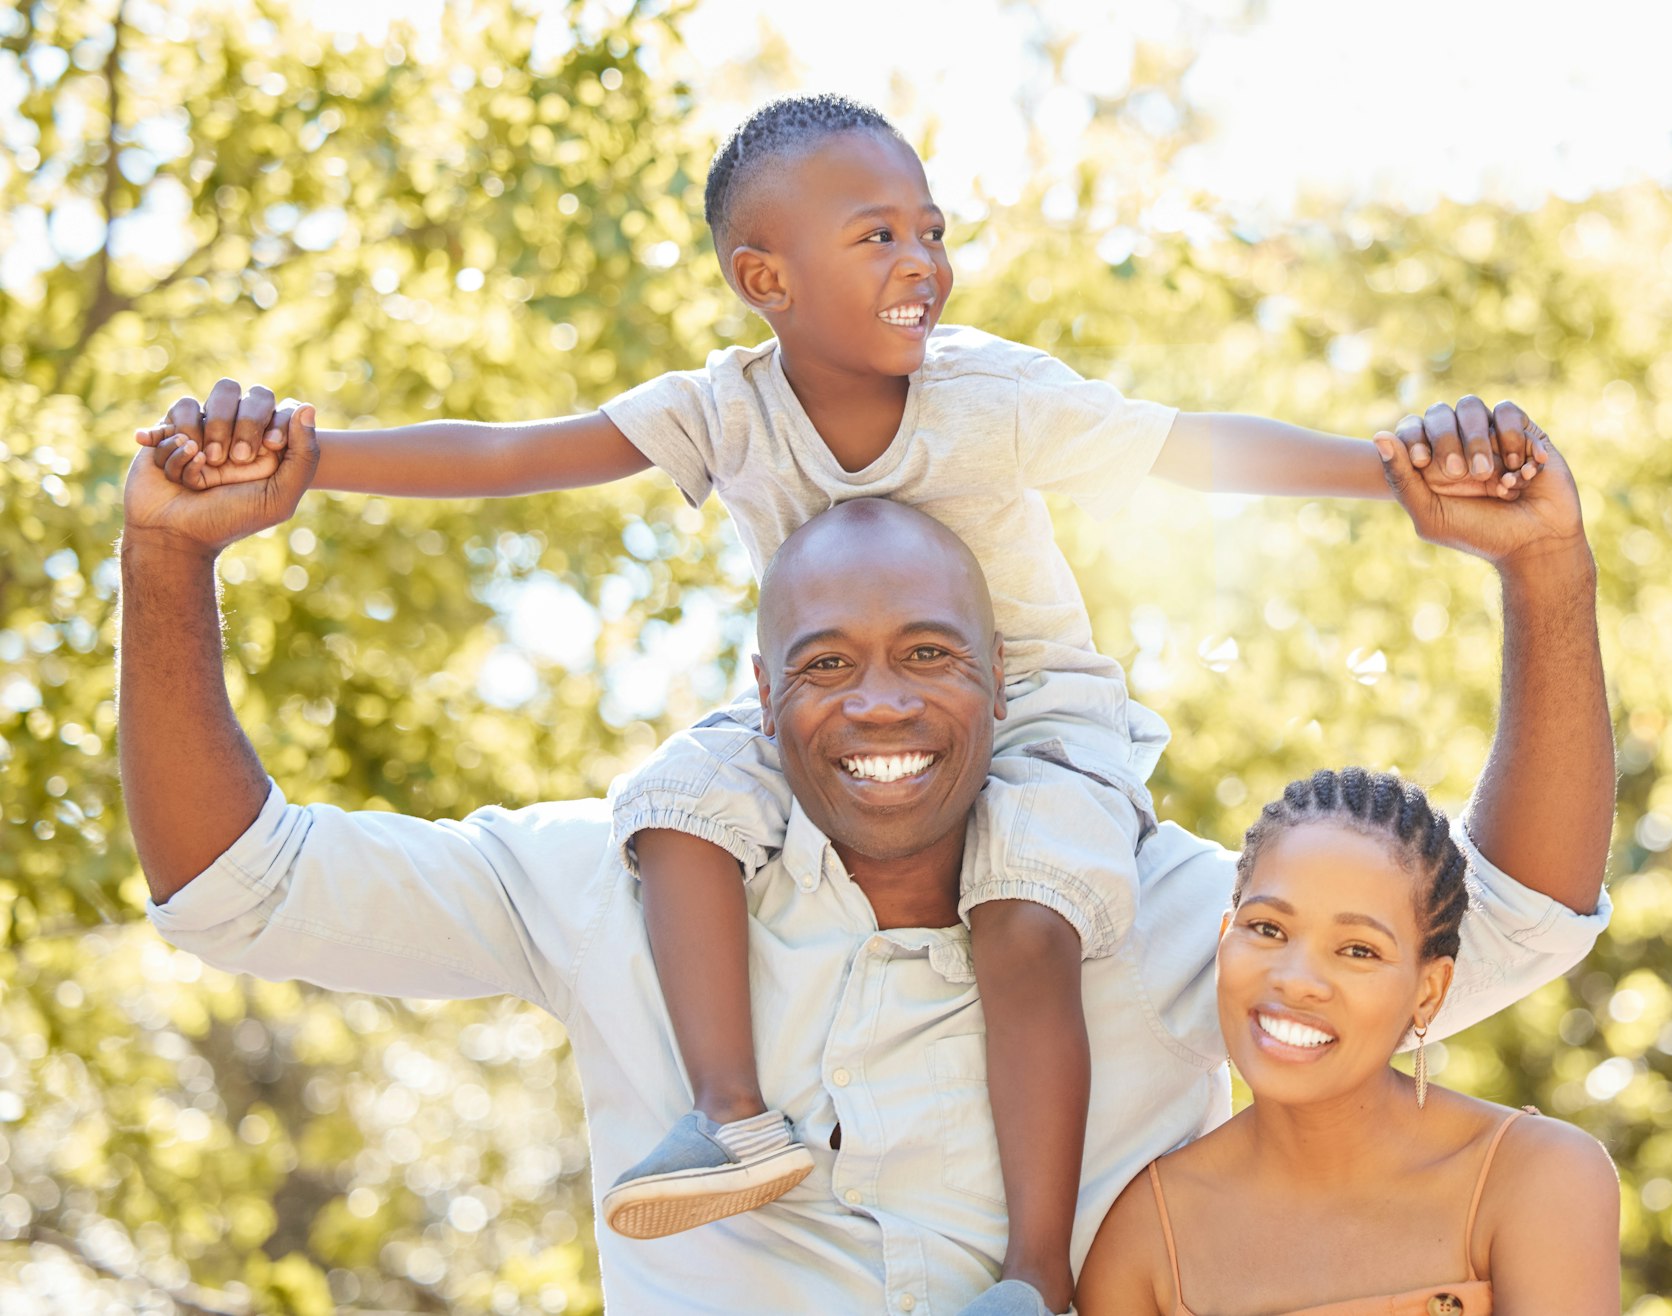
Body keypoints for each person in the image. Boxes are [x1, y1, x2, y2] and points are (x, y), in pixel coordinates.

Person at [133, 94, 1549, 1314]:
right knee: (672, 814)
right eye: (879, 236)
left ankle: (1033, 1278)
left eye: (932, 228)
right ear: (765, 278)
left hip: (1053, 717)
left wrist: (1410, 482)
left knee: (1030, 910)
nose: (923, 261)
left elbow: (1191, 453)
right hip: (774, 755)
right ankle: (730, 1117)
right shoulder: (725, 413)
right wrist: (285, 476)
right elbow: (514, 458)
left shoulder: (995, 408)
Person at [1074, 764, 1621, 1315]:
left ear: (1429, 992)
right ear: (1224, 940)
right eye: (1267, 929)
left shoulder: (1539, 1178)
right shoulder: (1144, 1238)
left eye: (1359, 950)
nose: (1295, 980)